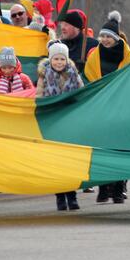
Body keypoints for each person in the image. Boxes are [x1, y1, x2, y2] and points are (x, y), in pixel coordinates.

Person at [84, 11, 130, 204]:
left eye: (108, 37)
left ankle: (119, 188)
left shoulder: (127, 55)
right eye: (102, 36)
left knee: (120, 148)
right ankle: (104, 188)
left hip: (122, 108)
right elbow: (89, 78)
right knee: (101, 147)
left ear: (116, 38)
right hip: (100, 108)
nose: (104, 40)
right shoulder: (94, 56)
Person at [36, 41, 84, 211]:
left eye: (62, 59)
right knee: (56, 161)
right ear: (50, 59)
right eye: (55, 59)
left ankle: (72, 196)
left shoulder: (73, 74)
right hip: (53, 121)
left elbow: (81, 93)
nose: (59, 62)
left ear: (67, 60)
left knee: (70, 161)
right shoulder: (44, 75)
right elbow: (39, 96)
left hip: (70, 122)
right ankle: (60, 197)